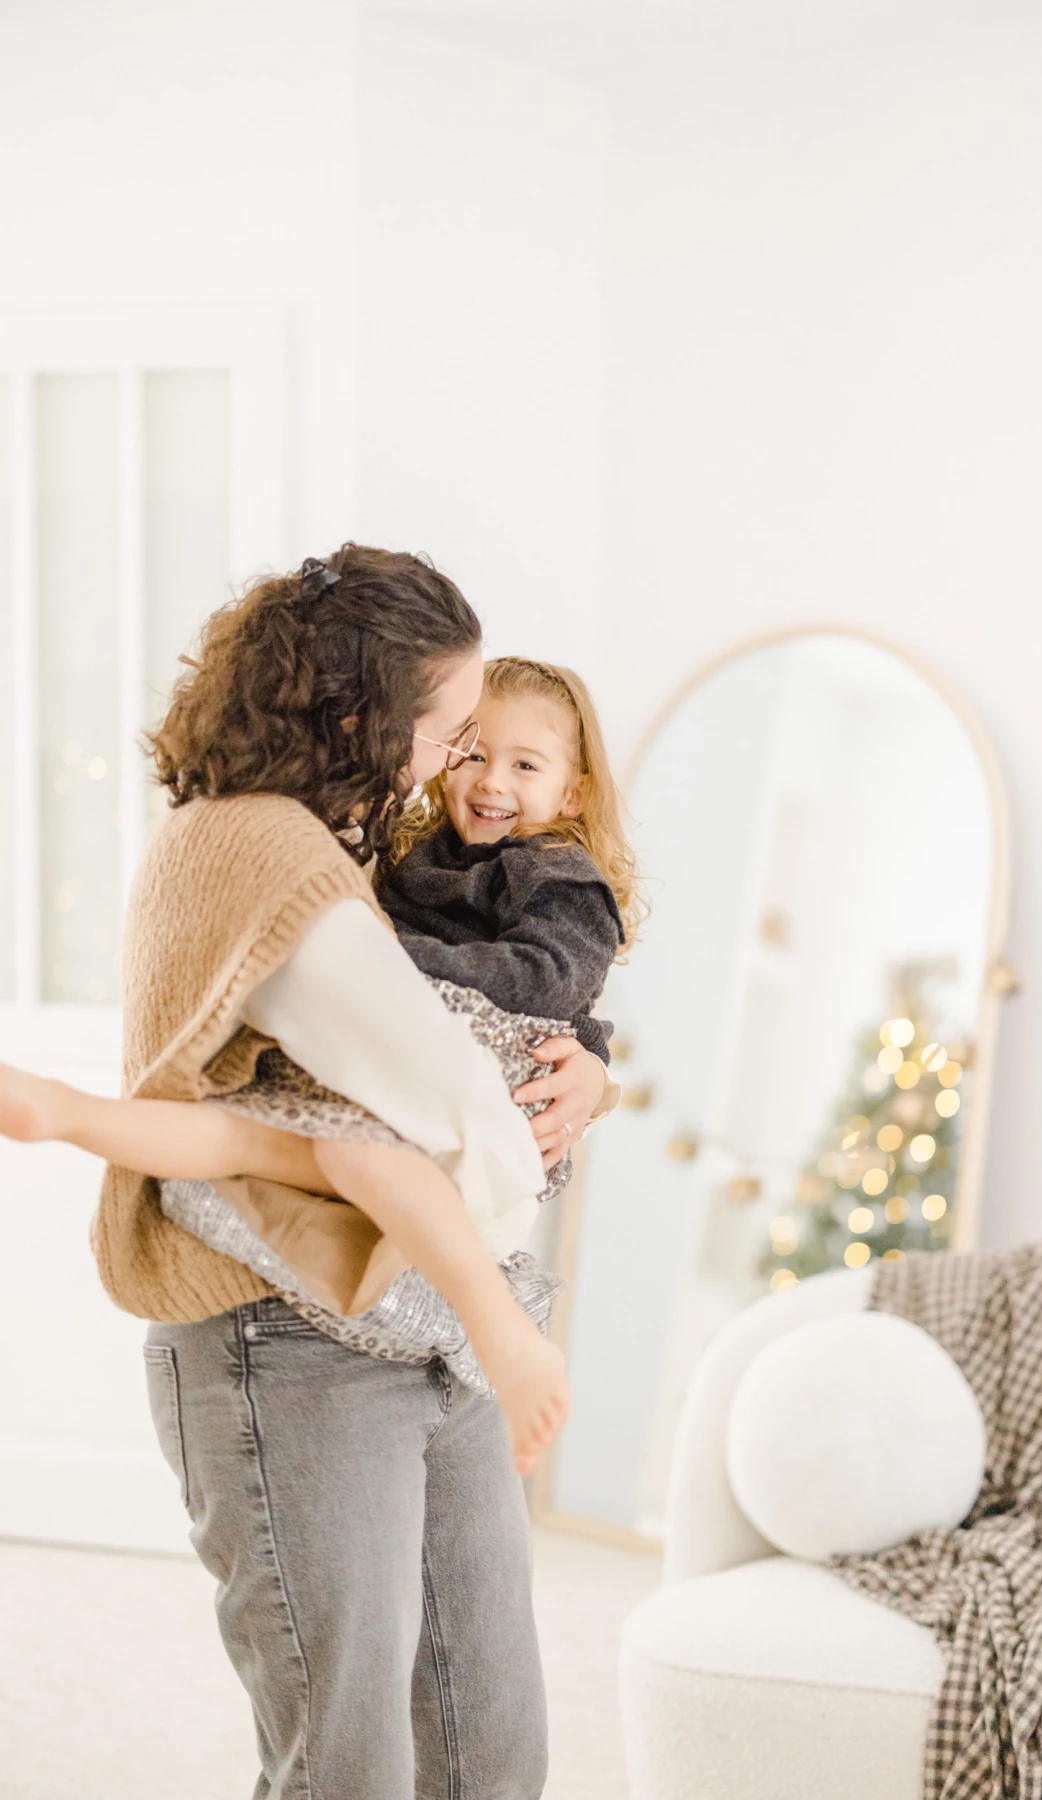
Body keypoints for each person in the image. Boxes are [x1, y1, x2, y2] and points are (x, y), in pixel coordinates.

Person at [5, 545, 614, 1800]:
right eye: (448, 728)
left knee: (489, 1748)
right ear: (369, 715)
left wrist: (588, 1059)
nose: (457, 762)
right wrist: (545, 1111)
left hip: (421, 1317)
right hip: (297, 1340)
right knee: (351, 1763)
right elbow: (453, 1113)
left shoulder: (324, 850)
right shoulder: (281, 862)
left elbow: (465, 1033)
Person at [0, 654, 639, 1475]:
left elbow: (556, 984)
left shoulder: (560, 875)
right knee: (255, 1136)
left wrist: (585, 1061)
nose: (491, 780)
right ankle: (62, 1110)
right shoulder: (411, 851)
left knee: (329, 1149)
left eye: (526, 764)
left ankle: (498, 1325)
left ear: (575, 794)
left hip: (491, 1092)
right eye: (474, 750)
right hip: (396, 1071)